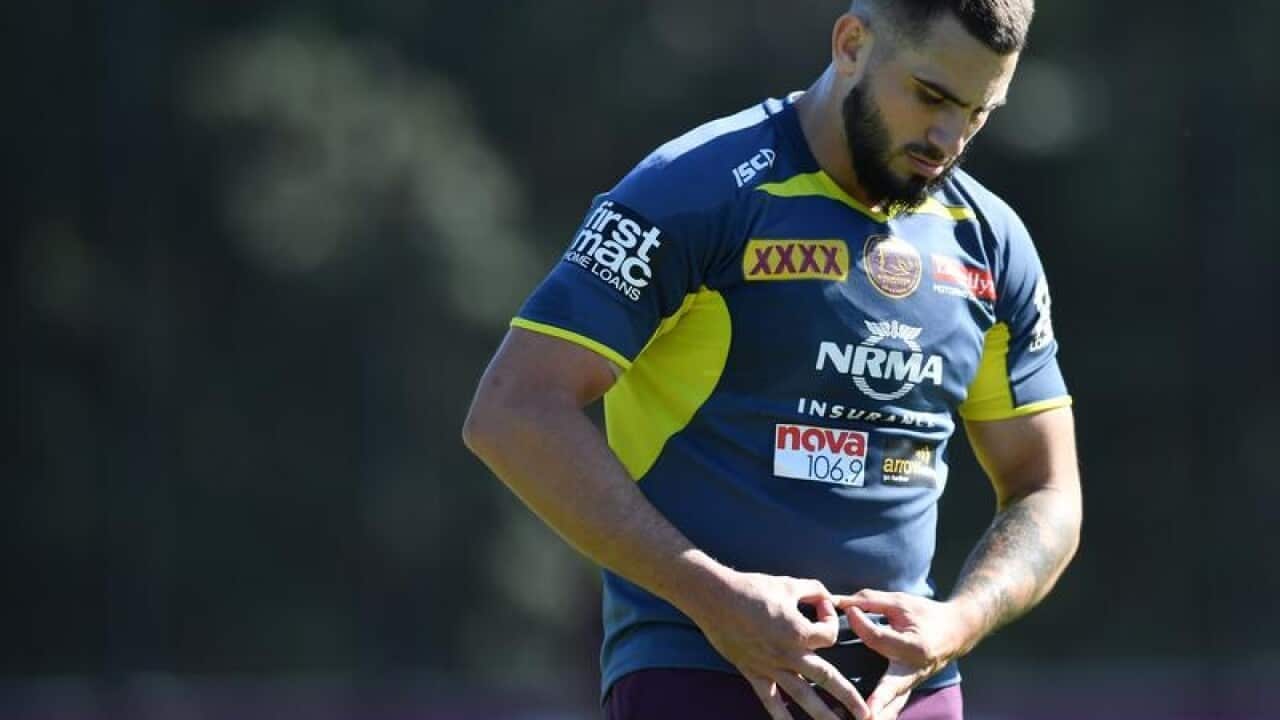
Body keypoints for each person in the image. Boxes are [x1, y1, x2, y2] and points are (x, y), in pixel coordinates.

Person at [462, 0, 1081, 718]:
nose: (949, 137)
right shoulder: (690, 191)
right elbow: (512, 410)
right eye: (931, 95)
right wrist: (713, 595)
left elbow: (1046, 489)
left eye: (979, 112)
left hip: (908, 697)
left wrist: (959, 621)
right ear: (852, 44)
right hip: (700, 672)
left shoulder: (992, 243)